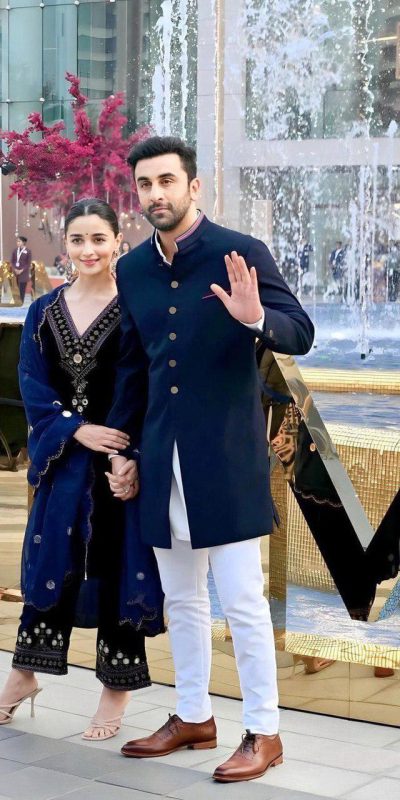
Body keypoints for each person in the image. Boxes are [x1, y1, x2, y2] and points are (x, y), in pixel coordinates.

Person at [106, 136, 314, 782]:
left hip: (225, 459)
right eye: (145, 184)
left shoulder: (240, 253)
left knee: (243, 599)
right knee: (182, 598)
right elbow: (132, 366)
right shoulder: (131, 269)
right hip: (159, 455)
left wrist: (256, 319)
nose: (156, 194)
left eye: (167, 180)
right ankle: (194, 715)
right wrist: (124, 450)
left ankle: (265, 731)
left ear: (194, 186)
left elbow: (300, 331)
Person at [0, 198, 164, 740]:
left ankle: (116, 688)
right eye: (77, 240)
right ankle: (24, 674)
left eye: (98, 239)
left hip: (120, 464)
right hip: (66, 461)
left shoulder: (138, 309)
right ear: (65, 245)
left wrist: (126, 454)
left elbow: (143, 386)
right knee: (53, 559)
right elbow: (32, 384)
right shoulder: (43, 311)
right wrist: (75, 430)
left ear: (118, 241)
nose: (88, 250)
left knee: (118, 565)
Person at [11, 235, 32, 303]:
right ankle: (16, 302)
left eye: (19, 241)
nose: (17, 242)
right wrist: (15, 269)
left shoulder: (28, 251)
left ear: (23, 242)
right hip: (15, 273)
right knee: (15, 288)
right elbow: (12, 261)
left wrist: (21, 270)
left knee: (22, 289)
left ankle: (21, 302)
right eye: (17, 241)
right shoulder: (15, 251)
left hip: (23, 273)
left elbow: (28, 263)